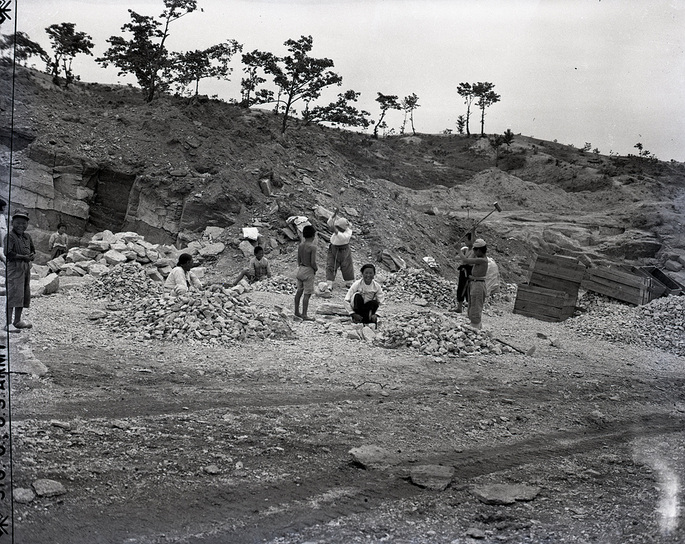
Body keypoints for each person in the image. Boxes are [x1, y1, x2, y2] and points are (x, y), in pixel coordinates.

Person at [4, 210, 35, 331]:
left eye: (24, 223)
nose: (21, 225)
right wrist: (23, 257)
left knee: (22, 293)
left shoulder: (27, 236)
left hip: (25, 268)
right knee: (13, 294)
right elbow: (8, 253)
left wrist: (32, 256)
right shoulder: (9, 236)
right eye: (18, 223)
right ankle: (8, 324)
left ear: (27, 224)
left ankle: (17, 321)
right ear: (12, 223)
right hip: (14, 268)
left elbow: (33, 250)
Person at [457, 238, 489, 330]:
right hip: (474, 284)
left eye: (475, 250)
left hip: (478, 285)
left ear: (479, 250)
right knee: (472, 304)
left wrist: (458, 250)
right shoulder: (480, 258)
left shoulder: (482, 260)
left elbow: (466, 260)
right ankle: (475, 324)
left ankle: (475, 325)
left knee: (476, 305)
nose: (474, 252)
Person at [326, 208, 354, 290]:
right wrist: (334, 215)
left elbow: (342, 236)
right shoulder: (339, 228)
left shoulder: (347, 233)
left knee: (347, 266)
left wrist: (335, 230)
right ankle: (329, 284)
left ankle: (349, 282)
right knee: (331, 265)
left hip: (343, 250)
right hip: (333, 249)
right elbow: (330, 223)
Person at [294, 225, 318, 321]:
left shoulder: (301, 245)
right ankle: (304, 314)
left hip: (301, 269)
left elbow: (298, 260)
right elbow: (313, 262)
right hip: (308, 271)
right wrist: (315, 269)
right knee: (307, 294)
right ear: (313, 236)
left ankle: (296, 311)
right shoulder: (313, 247)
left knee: (299, 291)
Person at [456, 231, 475, 313]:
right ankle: (459, 307)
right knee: (461, 288)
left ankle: (470, 310)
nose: (465, 242)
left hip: (469, 271)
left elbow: (466, 260)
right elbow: (457, 257)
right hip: (463, 271)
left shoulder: (473, 251)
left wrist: (474, 231)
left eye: (466, 240)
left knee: (467, 289)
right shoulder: (466, 250)